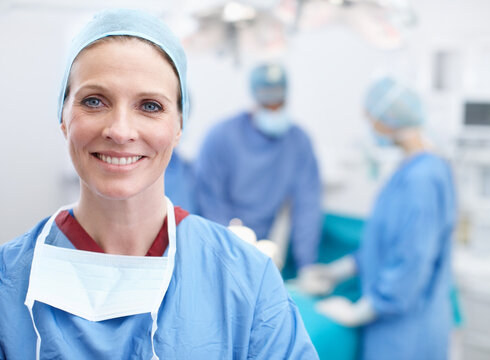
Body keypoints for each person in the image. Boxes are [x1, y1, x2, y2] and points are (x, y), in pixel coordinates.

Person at [0, 9, 318, 359]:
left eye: (150, 106)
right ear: (63, 116)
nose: (120, 131)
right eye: (94, 101)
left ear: (180, 125)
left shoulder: (247, 280)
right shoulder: (8, 279)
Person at [298, 77, 457, 360]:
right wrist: (335, 271)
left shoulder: (422, 179)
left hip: (406, 337)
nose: (370, 128)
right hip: (396, 329)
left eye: (372, 119)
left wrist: (360, 311)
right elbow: (386, 246)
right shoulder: (411, 169)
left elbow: (411, 262)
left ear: (390, 120)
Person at [194, 63, 322, 273]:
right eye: (266, 105)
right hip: (222, 244)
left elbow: (307, 207)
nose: (273, 110)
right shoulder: (221, 137)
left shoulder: (298, 142)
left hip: (265, 247)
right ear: (254, 100)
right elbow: (210, 201)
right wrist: (233, 245)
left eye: (278, 104)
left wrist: (307, 264)